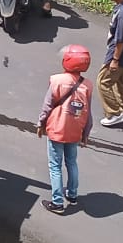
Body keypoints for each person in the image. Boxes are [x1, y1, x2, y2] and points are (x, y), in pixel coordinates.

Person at [36, 44, 93, 214]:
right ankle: (73, 195)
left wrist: (41, 124)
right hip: (76, 131)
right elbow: (88, 113)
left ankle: (57, 202)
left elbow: (47, 106)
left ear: (67, 61)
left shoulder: (57, 80)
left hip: (57, 129)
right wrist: (85, 134)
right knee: (71, 162)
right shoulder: (87, 85)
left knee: (55, 165)